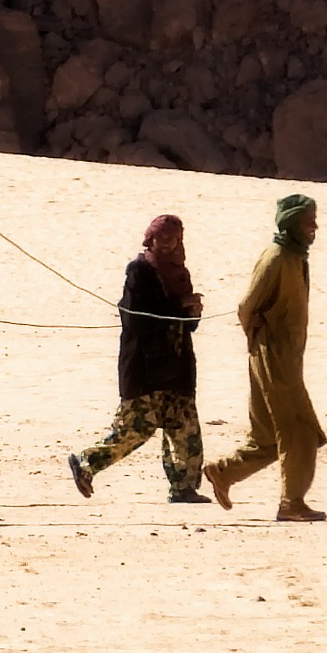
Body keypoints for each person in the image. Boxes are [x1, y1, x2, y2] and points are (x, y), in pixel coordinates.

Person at [67, 212, 206, 503]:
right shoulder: (139, 271)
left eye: (174, 239)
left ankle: (184, 487)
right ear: (151, 239)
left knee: (184, 429)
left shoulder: (180, 272)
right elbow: (136, 319)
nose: (168, 244)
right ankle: (86, 463)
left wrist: (192, 313)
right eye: (162, 238)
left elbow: (185, 323)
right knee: (135, 428)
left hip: (178, 365)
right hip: (145, 367)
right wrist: (179, 307)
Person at [205, 194, 326, 520]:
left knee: (267, 437)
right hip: (274, 359)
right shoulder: (276, 258)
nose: (314, 227)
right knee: (299, 430)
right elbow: (246, 307)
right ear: (291, 224)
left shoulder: (296, 257)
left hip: (283, 358)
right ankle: (292, 504)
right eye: (307, 221)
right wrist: (257, 333)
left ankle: (224, 473)